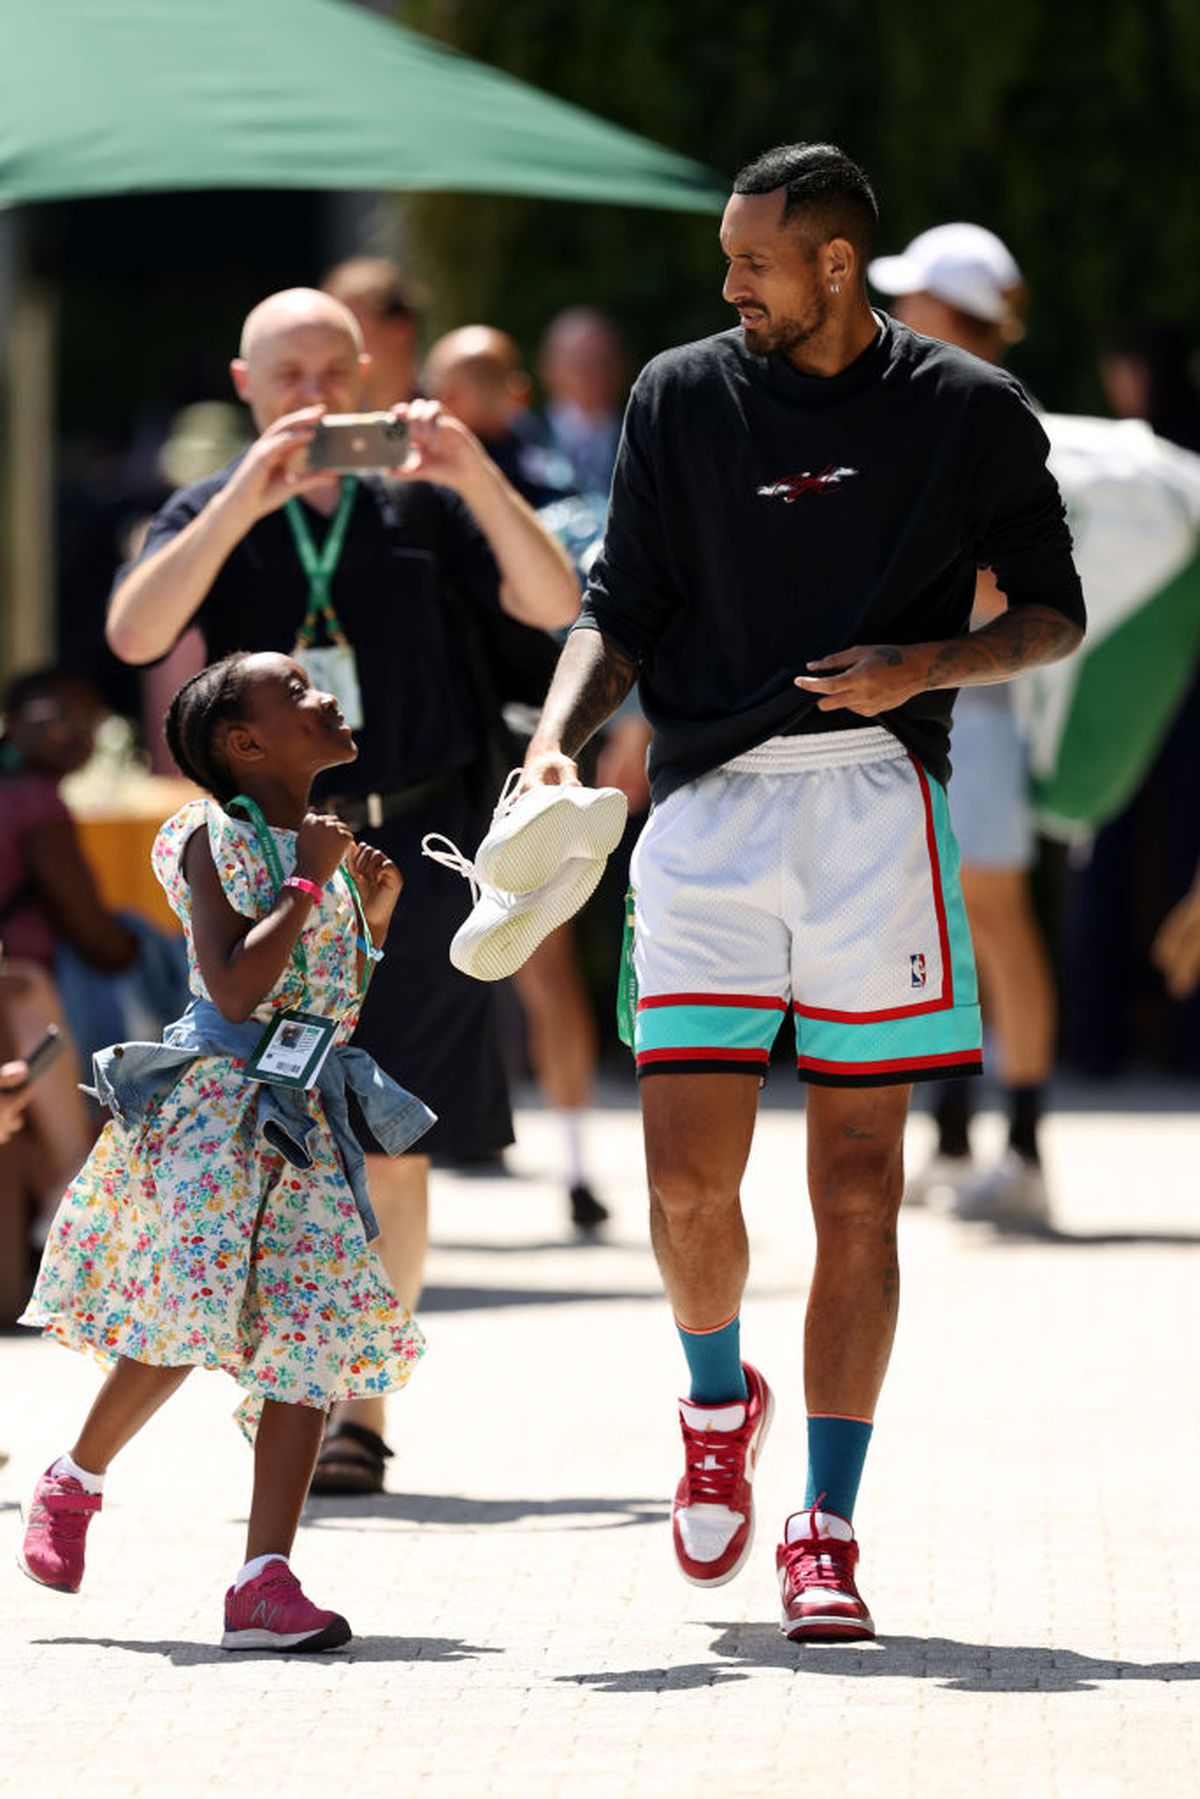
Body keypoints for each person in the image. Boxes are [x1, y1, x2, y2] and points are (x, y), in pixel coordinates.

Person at [518, 143, 1085, 1641]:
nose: (727, 285)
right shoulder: (678, 393)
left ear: (835, 263)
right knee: (689, 1185)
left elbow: (1052, 613)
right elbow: (617, 604)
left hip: (876, 810)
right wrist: (551, 742)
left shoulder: (968, 412)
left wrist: (927, 664)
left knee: (857, 1191)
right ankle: (720, 1403)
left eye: (751, 259)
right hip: (703, 814)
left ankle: (827, 1522)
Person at [106, 286, 578, 1494]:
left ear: (369, 373)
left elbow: (558, 606)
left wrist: (475, 473)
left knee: (388, 1131)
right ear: (245, 384)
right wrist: (233, 502)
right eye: (287, 376)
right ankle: (288, 1388)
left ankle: (357, 1409)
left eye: (333, 370)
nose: (313, 396)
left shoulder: (419, 495)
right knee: (271, 1127)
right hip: (273, 860)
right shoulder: (213, 508)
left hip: (411, 851)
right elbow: (135, 628)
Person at [18, 650, 431, 1649]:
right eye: (295, 690)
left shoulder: (321, 858)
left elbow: (322, 1006)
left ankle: (263, 1576)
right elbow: (237, 990)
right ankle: (74, 1477)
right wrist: (313, 881)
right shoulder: (215, 837)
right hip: (217, 1111)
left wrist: (367, 919)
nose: (326, 692)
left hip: (305, 1119)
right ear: (245, 743)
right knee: (188, 1310)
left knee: (310, 1328)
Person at [868, 225, 1059, 1223]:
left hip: (975, 706)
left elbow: (998, 575)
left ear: (952, 315)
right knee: (947, 923)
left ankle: (1023, 1148)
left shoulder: (989, 415)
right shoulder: (938, 407)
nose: (898, 315)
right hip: (940, 704)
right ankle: (956, 1135)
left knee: (994, 918)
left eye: (917, 301)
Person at [423, 324, 613, 1230]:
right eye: (444, 387)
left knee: (542, 960)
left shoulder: (550, 493)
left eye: (479, 385)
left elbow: (594, 617)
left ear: (516, 394)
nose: (457, 405)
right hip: (424, 752)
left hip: (520, 748)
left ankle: (575, 1161)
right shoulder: (400, 491)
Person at [532, 307, 630, 503]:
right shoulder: (522, 437)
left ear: (622, 366)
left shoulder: (644, 434)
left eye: (603, 362)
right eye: (578, 364)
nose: (592, 374)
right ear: (547, 369)